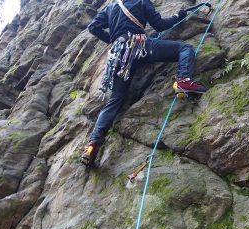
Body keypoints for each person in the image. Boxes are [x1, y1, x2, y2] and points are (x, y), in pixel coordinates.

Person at [80, 0, 207, 166]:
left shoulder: (110, 8)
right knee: (185, 49)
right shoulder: (141, 1)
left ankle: (93, 144)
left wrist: (113, 39)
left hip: (119, 56)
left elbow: (93, 27)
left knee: (115, 100)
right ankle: (183, 80)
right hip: (139, 47)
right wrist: (178, 16)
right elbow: (160, 25)